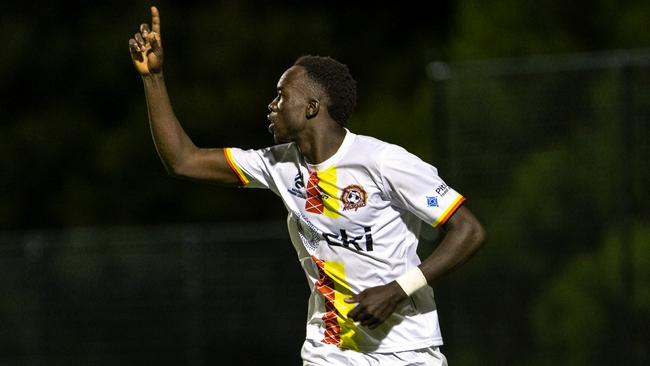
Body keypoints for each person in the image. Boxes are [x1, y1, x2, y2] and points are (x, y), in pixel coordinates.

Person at [129, 6, 486, 366]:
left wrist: (398, 290)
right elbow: (183, 160)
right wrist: (153, 78)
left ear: (312, 107)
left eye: (281, 96)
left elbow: (468, 230)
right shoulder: (277, 164)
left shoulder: (383, 161)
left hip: (406, 349)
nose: (271, 106)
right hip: (329, 350)